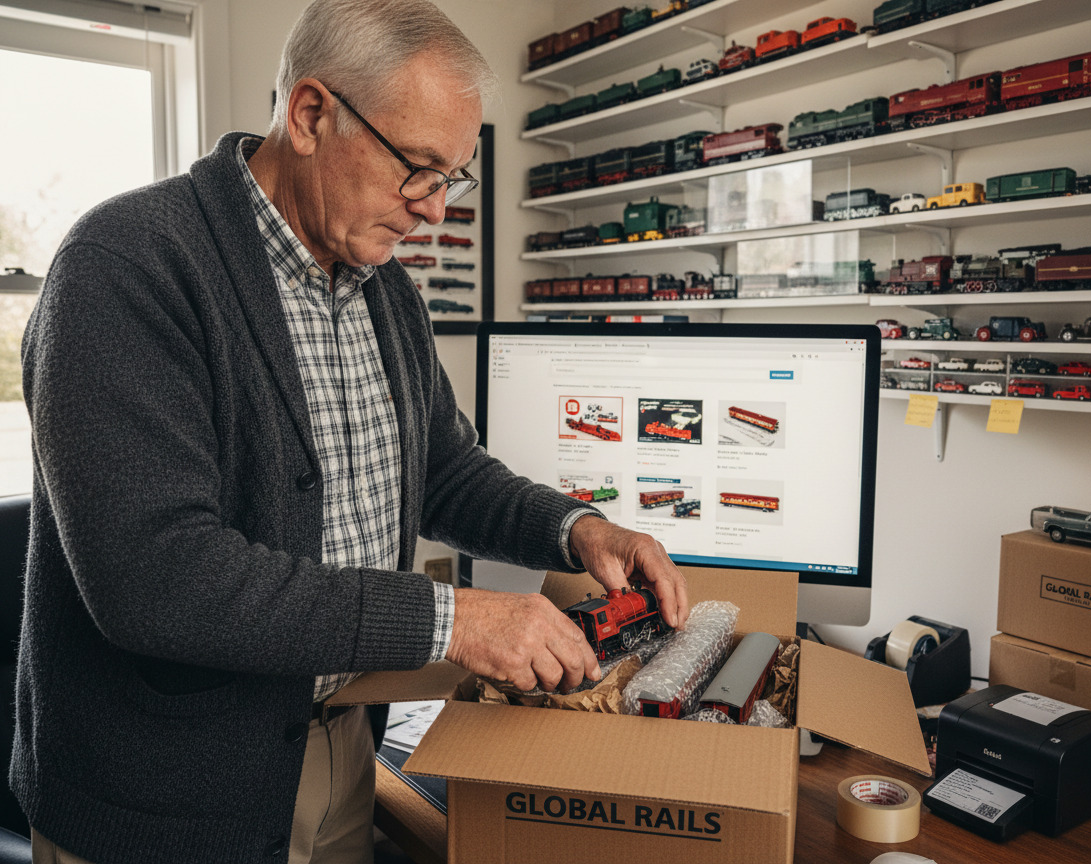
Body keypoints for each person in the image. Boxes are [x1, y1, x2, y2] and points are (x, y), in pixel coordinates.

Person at [11, 1, 687, 862]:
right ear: (310, 115)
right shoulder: (127, 266)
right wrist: (451, 621)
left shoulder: (383, 288)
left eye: (453, 179)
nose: (436, 210)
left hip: (339, 748)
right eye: (419, 169)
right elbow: (159, 579)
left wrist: (574, 527)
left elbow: (444, 471)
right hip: (167, 804)